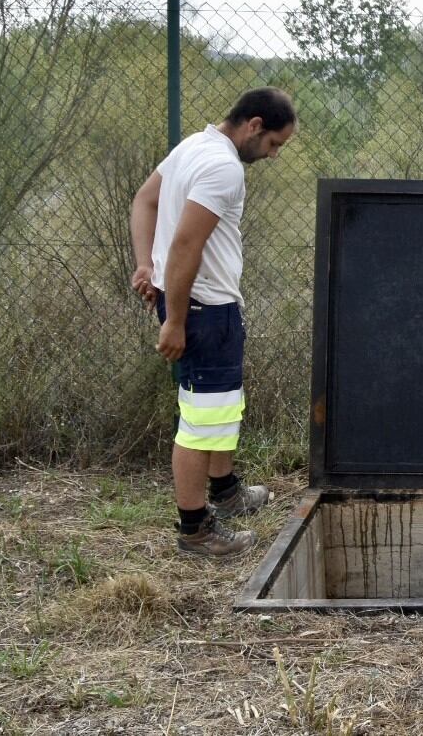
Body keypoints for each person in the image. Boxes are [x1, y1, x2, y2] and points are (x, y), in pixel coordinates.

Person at [129, 87, 297, 558]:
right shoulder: (223, 167)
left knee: (220, 406)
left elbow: (144, 200)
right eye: (274, 145)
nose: (274, 155)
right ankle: (195, 530)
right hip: (203, 310)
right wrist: (176, 321)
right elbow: (186, 245)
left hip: (199, 305)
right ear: (255, 126)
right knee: (201, 421)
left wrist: (146, 266)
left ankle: (224, 489)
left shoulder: (193, 147)